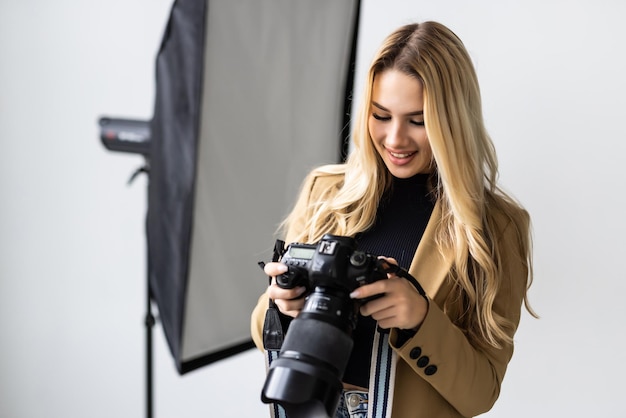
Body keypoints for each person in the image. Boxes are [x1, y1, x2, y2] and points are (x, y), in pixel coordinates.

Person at [251, 21, 536, 418]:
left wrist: (419, 318)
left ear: (452, 121)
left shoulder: (497, 228)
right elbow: (261, 329)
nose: (395, 139)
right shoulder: (326, 191)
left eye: (417, 121)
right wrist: (282, 305)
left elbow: (480, 394)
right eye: (380, 115)